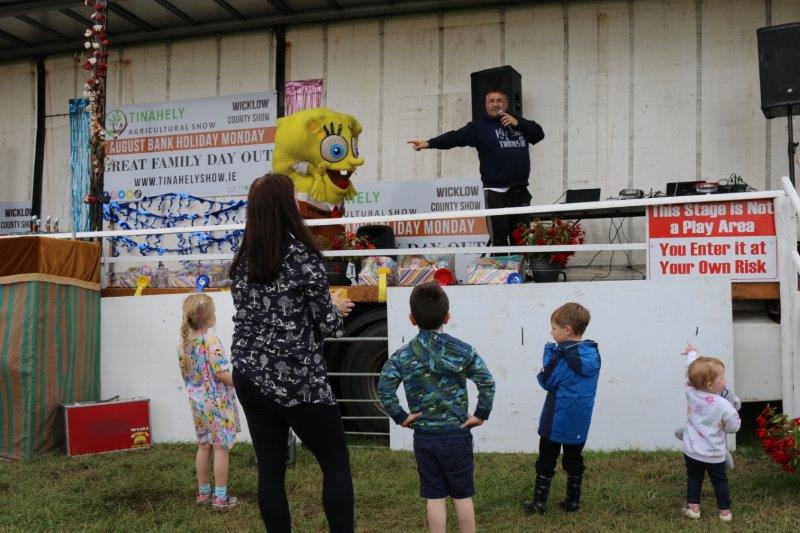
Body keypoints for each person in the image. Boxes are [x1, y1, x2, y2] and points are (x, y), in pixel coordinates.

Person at [229, 173, 356, 532]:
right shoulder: (302, 256)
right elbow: (329, 326)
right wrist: (335, 307)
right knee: (334, 461)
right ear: (288, 208)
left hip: (249, 374)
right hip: (297, 378)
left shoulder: (242, 260)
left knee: (270, 470)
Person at [377, 281, 495, 533]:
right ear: (447, 317)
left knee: (434, 496)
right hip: (456, 435)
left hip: (425, 437)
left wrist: (401, 417)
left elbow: (384, 388)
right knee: (462, 495)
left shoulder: (402, 356)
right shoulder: (464, 351)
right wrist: (481, 414)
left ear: (411, 318)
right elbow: (487, 381)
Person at [408, 89, 545, 247]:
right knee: (499, 240)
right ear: (486, 105)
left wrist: (518, 123)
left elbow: (539, 134)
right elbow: (455, 137)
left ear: (506, 104)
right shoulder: (479, 126)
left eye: (499, 100)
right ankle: (501, 264)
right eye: (491, 101)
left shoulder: (517, 122)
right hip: (496, 191)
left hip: (520, 190)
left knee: (522, 240)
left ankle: (519, 265)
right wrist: (429, 143)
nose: (495, 104)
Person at [523, 302, 600, 515]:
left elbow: (546, 380)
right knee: (574, 458)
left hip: (555, 419)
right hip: (580, 420)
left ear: (567, 329)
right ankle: (573, 502)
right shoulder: (592, 354)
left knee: (547, 459)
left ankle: (539, 504)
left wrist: (549, 353)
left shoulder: (561, 356)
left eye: (554, 328)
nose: (551, 332)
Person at [178, 293, 241, 512]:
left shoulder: (183, 344)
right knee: (221, 447)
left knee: (204, 445)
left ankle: (203, 492)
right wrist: (243, 383)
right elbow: (221, 373)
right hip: (217, 404)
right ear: (208, 317)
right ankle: (221, 498)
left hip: (197, 404)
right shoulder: (211, 341)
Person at [679, 343, 741, 522]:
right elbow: (734, 427)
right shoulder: (724, 405)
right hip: (714, 454)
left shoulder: (690, 391)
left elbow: (690, 372)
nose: (725, 382)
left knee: (694, 479)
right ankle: (725, 512)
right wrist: (725, 426)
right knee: (720, 482)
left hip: (692, 451)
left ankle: (693, 508)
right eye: (722, 378)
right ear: (709, 384)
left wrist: (691, 354)